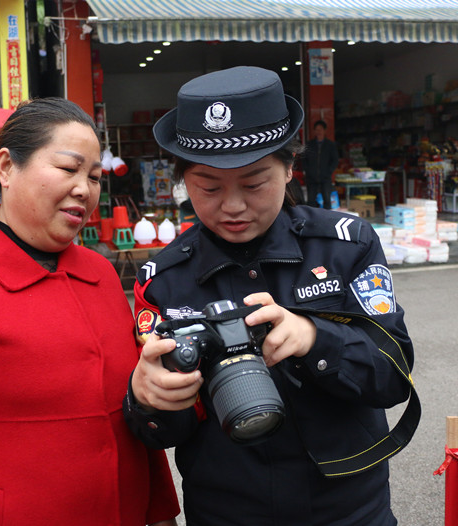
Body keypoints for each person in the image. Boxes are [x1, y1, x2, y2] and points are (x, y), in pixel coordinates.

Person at [123, 66, 417, 525]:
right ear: (183, 181)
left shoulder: (346, 245)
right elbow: (159, 434)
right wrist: (146, 399)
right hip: (227, 511)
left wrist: (314, 339)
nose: (233, 205)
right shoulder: (162, 280)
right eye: (209, 187)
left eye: (255, 183)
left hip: (348, 510)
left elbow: (394, 375)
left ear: (290, 168)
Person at [0, 98, 180, 526]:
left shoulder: (100, 273)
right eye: (68, 169)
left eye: (94, 177)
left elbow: (129, 413)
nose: (85, 188)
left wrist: (161, 513)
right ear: (6, 167)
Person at [302, 119, 339, 209]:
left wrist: (329, 171)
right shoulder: (309, 144)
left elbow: (335, 160)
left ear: (325, 130)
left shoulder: (330, 145)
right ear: (314, 131)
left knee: (327, 200)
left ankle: (328, 220)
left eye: (321, 129)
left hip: (325, 177)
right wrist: (308, 170)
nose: (319, 132)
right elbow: (304, 159)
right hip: (311, 177)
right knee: (311, 201)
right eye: (317, 130)